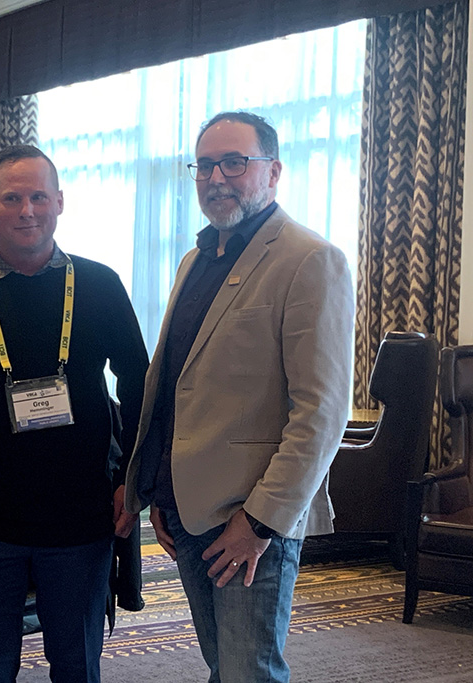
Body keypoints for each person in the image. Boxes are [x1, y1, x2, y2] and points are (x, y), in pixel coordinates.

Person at [125, 111, 354, 682]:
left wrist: (260, 523)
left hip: (250, 518)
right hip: (189, 508)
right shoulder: (196, 259)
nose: (216, 177)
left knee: (249, 671)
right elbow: (180, 383)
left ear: (273, 172)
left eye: (234, 162)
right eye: (204, 165)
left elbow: (321, 412)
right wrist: (161, 488)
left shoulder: (309, 259)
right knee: (222, 665)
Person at [0, 145, 149, 682]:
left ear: (60, 202)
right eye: (13, 198)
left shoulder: (98, 284)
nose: (27, 210)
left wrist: (131, 479)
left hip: (81, 518)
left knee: (76, 664)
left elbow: (139, 382)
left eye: (39, 196)